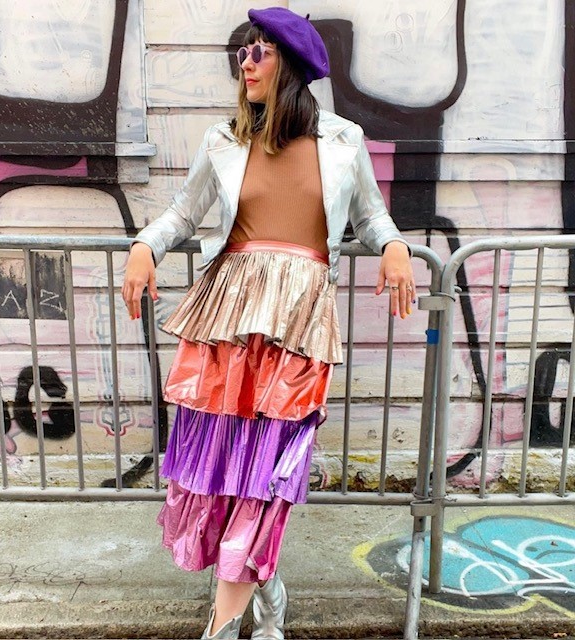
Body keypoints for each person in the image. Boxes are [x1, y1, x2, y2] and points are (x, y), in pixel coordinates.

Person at [122, 7, 415, 639]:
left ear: (292, 63)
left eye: (260, 51)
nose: (246, 61)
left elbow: (370, 216)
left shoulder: (343, 140)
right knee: (221, 475)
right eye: (243, 51)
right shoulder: (223, 140)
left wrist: (394, 247)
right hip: (225, 324)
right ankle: (265, 596)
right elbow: (181, 212)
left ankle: (222, 627)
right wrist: (145, 246)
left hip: (299, 326)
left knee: (267, 475)